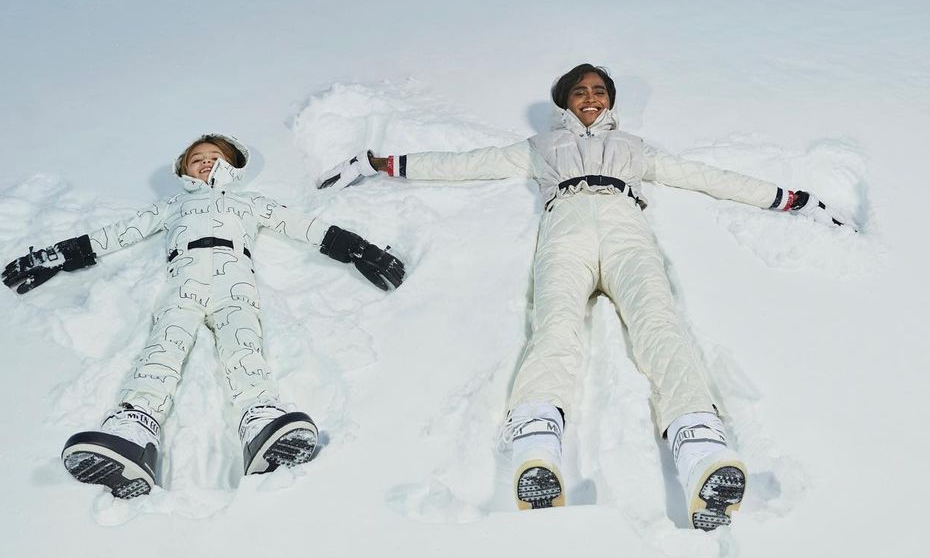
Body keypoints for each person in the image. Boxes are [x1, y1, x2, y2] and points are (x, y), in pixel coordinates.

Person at [316, 64, 850, 530]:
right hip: (565, 229)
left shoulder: (634, 150)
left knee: (659, 324)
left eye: (599, 90)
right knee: (555, 327)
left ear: (611, 101)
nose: (591, 97)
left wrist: (789, 199)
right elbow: (466, 162)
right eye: (579, 91)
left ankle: (701, 447)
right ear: (564, 102)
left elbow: (704, 176)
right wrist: (382, 164)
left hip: (626, 231)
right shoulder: (542, 148)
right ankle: (536, 447)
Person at [2, 133, 405, 499]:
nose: (206, 162)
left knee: (242, 344)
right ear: (183, 169)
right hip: (185, 282)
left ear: (233, 165)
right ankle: (132, 432)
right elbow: (120, 232)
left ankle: (262, 420)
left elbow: (304, 226)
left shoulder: (250, 203)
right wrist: (58, 256)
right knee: (163, 348)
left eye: (215, 156)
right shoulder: (174, 205)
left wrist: (359, 249)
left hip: (235, 282)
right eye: (197, 158)